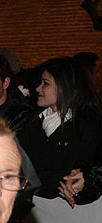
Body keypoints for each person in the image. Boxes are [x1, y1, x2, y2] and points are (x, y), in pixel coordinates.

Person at [19, 57, 102, 202]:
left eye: (45, 83)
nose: (38, 88)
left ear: (65, 86)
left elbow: (90, 169)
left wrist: (85, 178)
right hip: (37, 210)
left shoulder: (90, 124)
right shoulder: (32, 122)